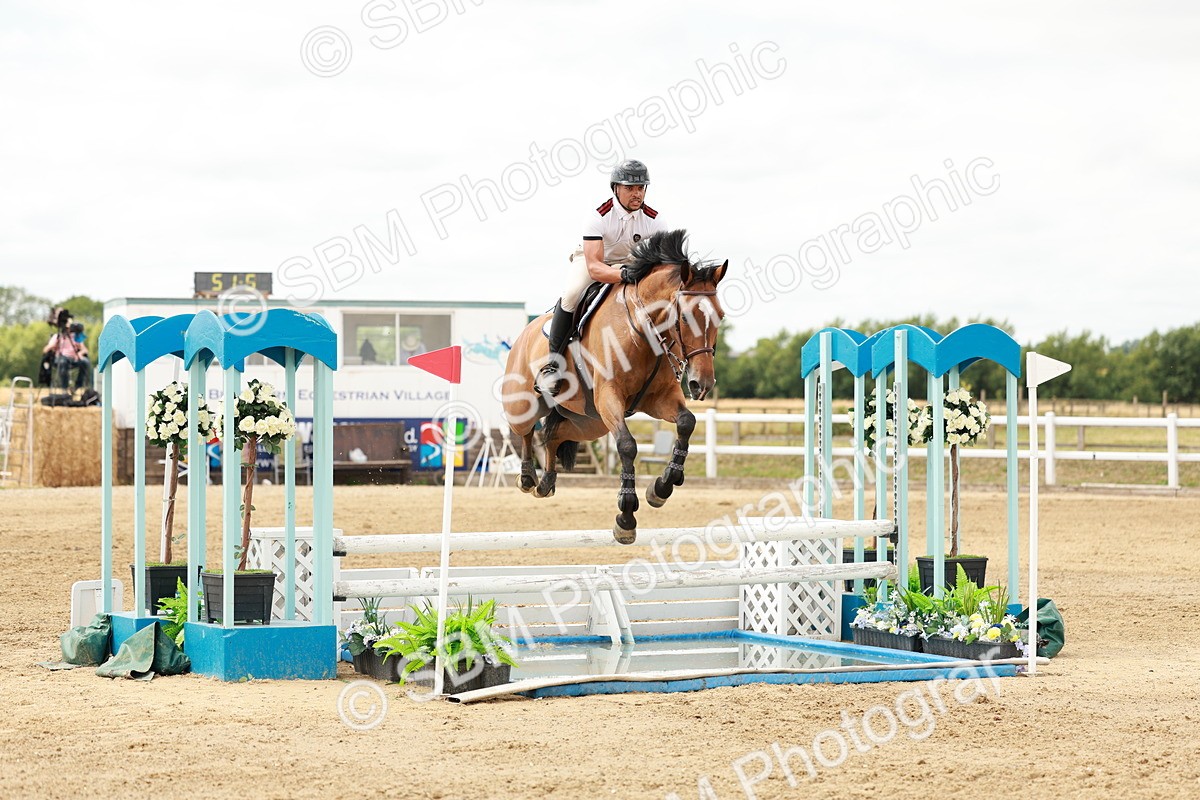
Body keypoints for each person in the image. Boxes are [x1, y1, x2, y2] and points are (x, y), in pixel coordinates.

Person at [538, 159, 666, 396]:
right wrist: (623, 274)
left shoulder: (655, 220)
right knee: (572, 295)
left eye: (640, 188)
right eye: (630, 188)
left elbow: (661, 265)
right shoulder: (599, 216)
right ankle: (553, 365)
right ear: (616, 188)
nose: (636, 194)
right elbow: (596, 268)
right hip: (593, 262)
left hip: (631, 263)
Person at [43, 324, 91, 392]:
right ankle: (64, 388)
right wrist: (53, 345)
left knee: (85, 362)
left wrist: (79, 354)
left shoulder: (76, 337)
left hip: (74, 359)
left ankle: (77, 386)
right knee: (63, 362)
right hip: (61, 359)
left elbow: (85, 350)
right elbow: (45, 350)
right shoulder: (57, 336)